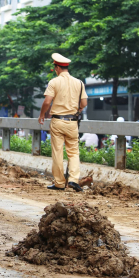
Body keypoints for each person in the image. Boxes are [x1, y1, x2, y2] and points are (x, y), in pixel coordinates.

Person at [38, 53, 87, 192]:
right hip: (73, 122)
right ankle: (73, 180)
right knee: (73, 152)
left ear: (57, 68)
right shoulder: (79, 83)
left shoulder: (54, 82)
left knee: (58, 152)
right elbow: (84, 103)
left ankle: (59, 183)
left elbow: (47, 101)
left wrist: (42, 115)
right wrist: (76, 109)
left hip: (58, 121)